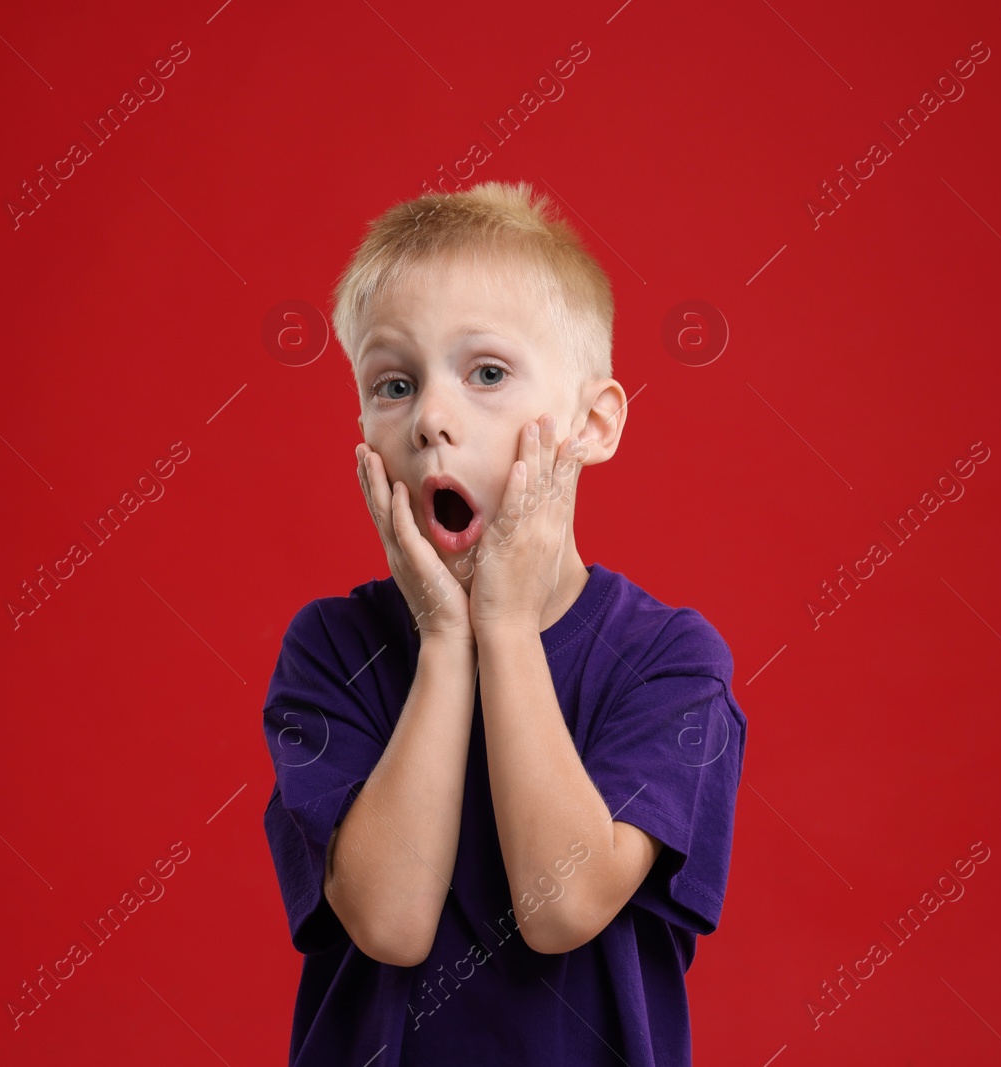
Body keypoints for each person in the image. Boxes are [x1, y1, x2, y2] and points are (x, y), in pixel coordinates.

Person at [261, 180, 747, 1066]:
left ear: (591, 424)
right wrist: (447, 640)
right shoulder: (331, 650)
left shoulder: (670, 661)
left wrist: (508, 628)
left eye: (486, 373)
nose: (433, 421)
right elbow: (390, 920)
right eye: (394, 384)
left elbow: (562, 905)